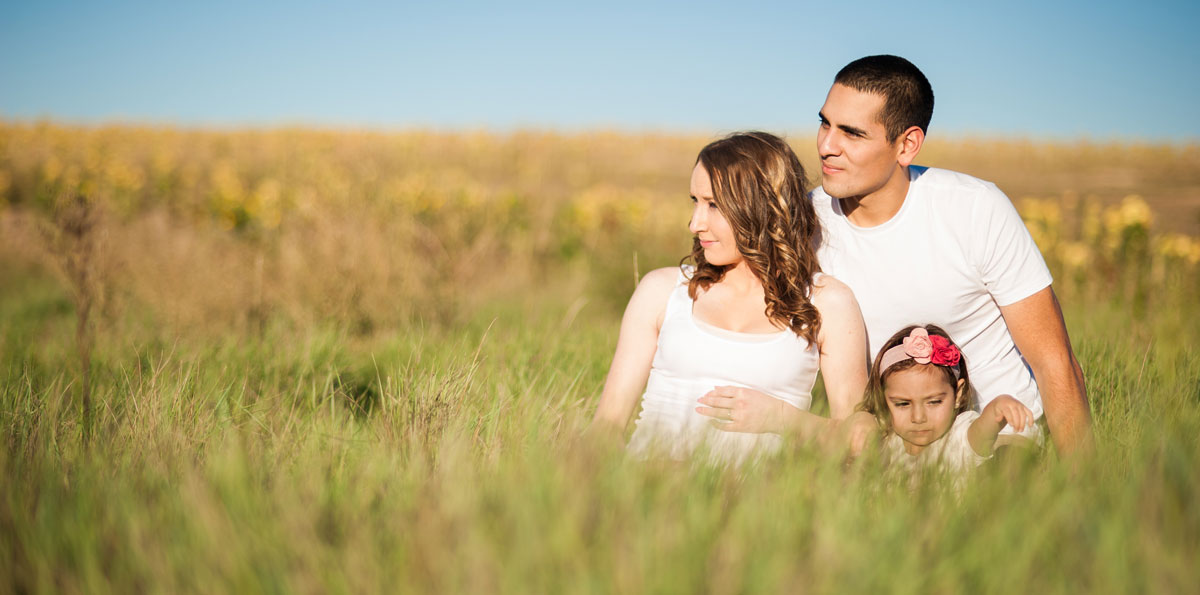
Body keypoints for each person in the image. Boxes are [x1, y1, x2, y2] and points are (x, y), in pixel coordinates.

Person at [697, 55, 1093, 456]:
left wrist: (1084, 490)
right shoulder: (803, 223)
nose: (826, 146)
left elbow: (1054, 362)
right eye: (825, 123)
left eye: (852, 133)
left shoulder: (976, 209)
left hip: (998, 439)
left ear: (906, 145)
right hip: (888, 446)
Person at [590, 132, 868, 465]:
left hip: (759, 508)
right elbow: (605, 429)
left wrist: (782, 418)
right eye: (695, 201)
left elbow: (862, 440)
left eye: (714, 205)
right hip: (650, 495)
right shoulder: (662, 291)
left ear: (762, 205)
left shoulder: (827, 302)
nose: (695, 223)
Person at [861, 324, 1034, 479]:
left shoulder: (959, 437)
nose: (918, 417)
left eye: (934, 402)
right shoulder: (886, 441)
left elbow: (982, 432)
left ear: (957, 395)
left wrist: (998, 407)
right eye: (903, 404)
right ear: (883, 400)